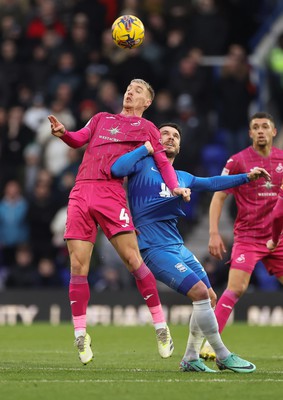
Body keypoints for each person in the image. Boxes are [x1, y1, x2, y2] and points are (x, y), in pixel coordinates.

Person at [48, 78, 190, 365]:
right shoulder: (101, 118)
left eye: (137, 90)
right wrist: (64, 133)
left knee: (132, 259)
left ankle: (161, 328)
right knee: (78, 265)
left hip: (110, 193)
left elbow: (162, 161)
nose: (130, 92)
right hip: (81, 190)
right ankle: (80, 334)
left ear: (146, 102)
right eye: (128, 88)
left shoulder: (148, 128)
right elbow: (79, 139)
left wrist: (174, 186)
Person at [111, 122, 269, 373]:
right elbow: (116, 168)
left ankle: (190, 358)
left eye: (175, 136)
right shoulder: (141, 166)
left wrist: (246, 177)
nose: (170, 138)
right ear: (155, 138)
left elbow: (213, 182)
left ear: (180, 145)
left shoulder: (182, 177)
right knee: (199, 293)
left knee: (210, 296)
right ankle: (222, 354)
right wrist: (145, 148)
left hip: (177, 246)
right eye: (164, 134)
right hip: (153, 248)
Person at [201, 111, 283, 360]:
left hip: (277, 238)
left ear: (273, 132)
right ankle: (209, 344)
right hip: (248, 237)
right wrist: (214, 232)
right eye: (255, 127)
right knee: (236, 288)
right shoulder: (237, 161)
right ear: (249, 133)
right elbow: (218, 196)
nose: (260, 130)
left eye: (264, 126)